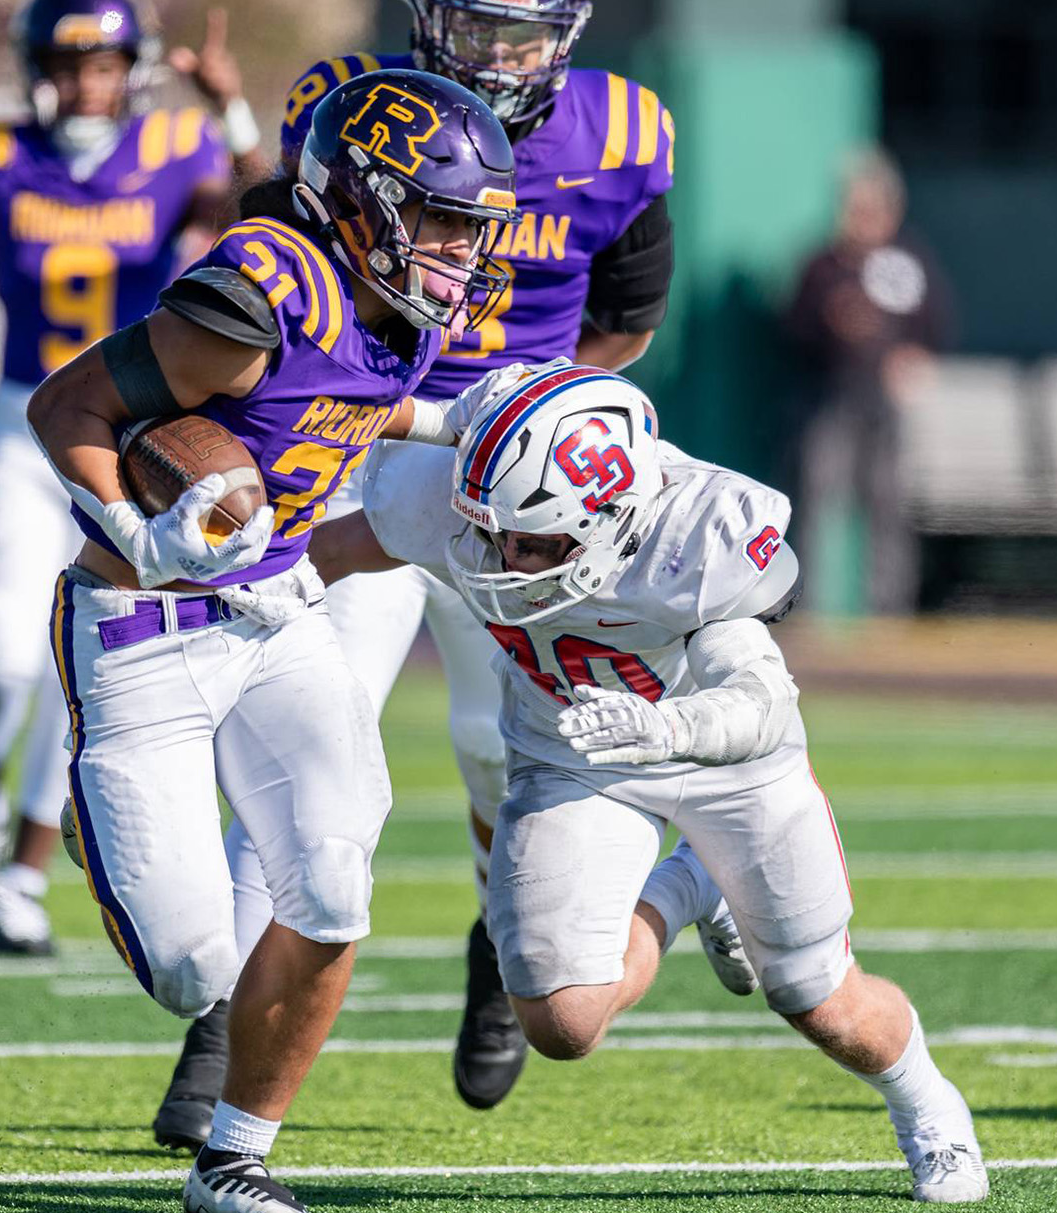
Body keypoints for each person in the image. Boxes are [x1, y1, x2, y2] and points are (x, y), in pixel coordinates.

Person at [153, 0, 682, 1149]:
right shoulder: (354, 107)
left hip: (517, 477)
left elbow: (626, 323)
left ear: (569, 33)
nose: (495, 60)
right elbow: (271, 273)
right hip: (364, 452)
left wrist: (528, 417)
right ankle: (222, 1029)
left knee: (500, 745)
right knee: (304, 716)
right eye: (473, 29)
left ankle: (498, 944)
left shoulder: (622, 133)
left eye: (519, 35)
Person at [308, 362, 990, 1205]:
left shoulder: (700, 540)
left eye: (537, 541)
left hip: (726, 762)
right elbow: (329, 549)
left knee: (819, 999)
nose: (508, 557)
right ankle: (688, 890)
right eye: (498, 533)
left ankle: (929, 1106)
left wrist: (666, 727)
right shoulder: (458, 496)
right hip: (572, 755)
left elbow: (764, 704)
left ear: (613, 519)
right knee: (561, 1022)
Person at [29, 68, 517, 1213]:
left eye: (470, 227)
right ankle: (89, 812)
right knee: (193, 964)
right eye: (442, 221)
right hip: (141, 624)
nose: (458, 251)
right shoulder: (260, 291)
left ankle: (233, 1157)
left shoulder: (393, 299)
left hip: (280, 614)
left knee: (333, 884)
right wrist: (140, 526)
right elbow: (66, 407)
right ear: (364, 204)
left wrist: (464, 417)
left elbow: (351, 395)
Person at [0, 0, 242, 956]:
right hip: (21, 428)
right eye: (70, 63)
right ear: (39, 66)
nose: (87, 83)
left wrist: (234, 117)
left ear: (134, 66)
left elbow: (264, 220)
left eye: (103, 63)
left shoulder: (175, 145)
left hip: (127, 440)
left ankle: (23, 874)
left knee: (72, 664)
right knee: (4, 663)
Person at [784, 147, 952, 617]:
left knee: (888, 508)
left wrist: (916, 358)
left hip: (886, 404)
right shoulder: (823, 265)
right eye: (856, 206)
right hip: (831, 399)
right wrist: (831, 320)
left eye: (873, 206)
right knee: (818, 502)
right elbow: (793, 328)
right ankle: (809, 608)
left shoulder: (910, 260)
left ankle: (889, 611)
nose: (864, 217)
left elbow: (937, 325)